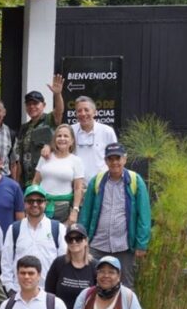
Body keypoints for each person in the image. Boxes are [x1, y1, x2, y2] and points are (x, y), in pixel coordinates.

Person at [78, 142, 151, 288]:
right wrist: (82, 240)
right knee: (91, 284)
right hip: (97, 245)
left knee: (125, 286)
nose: (114, 162)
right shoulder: (97, 181)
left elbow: (144, 215)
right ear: (105, 161)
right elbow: (86, 213)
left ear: (125, 159)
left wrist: (141, 244)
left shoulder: (135, 181)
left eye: (118, 158)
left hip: (124, 245)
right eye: (110, 159)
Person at [1, 185, 67, 292]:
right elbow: (6, 262)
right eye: (30, 201)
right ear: (24, 204)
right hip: (19, 291)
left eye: (39, 201)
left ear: (45, 203)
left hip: (48, 291)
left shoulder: (58, 228)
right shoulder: (14, 229)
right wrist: (9, 288)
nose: (35, 204)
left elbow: (63, 262)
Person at [12, 76, 65, 187]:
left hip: (46, 179)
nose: (32, 106)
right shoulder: (24, 128)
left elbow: (59, 111)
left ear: (44, 105)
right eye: (29, 104)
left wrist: (57, 94)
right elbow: (20, 157)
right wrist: (16, 183)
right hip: (26, 181)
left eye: (35, 103)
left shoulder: (49, 119)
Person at [32, 124, 85, 224]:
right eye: (59, 136)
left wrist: (75, 210)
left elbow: (78, 188)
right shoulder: (45, 157)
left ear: (72, 141)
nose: (62, 139)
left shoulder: (76, 161)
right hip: (41, 206)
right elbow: (36, 181)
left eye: (66, 136)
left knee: (60, 234)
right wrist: (33, 201)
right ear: (54, 139)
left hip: (63, 209)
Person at [70, 96, 118, 183]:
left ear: (94, 112)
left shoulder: (107, 131)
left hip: (102, 184)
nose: (83, 113)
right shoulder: (70, 130)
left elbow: (115, 157)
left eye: (86, 110)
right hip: (76, 185)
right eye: (79, 111)